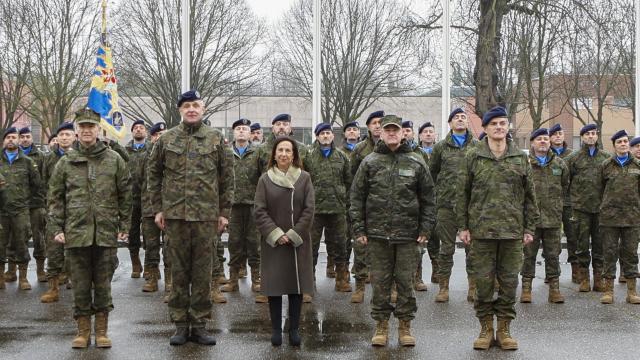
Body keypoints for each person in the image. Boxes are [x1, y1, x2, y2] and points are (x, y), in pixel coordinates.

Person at [147, 90, 234, 346]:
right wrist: (158, 209)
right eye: (187, 106)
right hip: (175, 216)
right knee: (179, 272)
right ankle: (180, 325)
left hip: (207, 217)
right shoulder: (166, 139)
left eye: (196, 105)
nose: (192, 109)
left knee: (202, 272)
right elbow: (153, 176)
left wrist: (224, 213)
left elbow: (227, 178)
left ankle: (199, 324)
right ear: (180, 110)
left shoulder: (216, 139)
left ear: (203, 109)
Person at [457, 106, 539, 351]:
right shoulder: (473, 156)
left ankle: (504, 329)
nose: (499, 128)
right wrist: (463, 226)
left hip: (512, 232)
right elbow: (462, 194)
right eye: (494, 124)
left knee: (509, 282)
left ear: (508, 127)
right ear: (485, 128)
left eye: (503, 123)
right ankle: (485, 329)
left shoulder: (520, 157)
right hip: (481, 232)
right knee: (483, 283)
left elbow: (530, 197)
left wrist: (529, 227)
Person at [47, 108, 131, 348]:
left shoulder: (114, 159)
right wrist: (57, 228)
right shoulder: (66, 162)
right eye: (82, 127)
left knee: (103, 284)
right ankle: (83, 332)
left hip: (105, 232)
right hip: (76, 232)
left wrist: (124, 224)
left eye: (90, 127)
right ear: (76, 131)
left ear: (98, 130)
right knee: (80, 284)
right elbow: (55, 198)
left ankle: (102, 331)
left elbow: (126, 195)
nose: (86, 131)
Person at [350, 115, 435, 347]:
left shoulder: (417, 161)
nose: (391, 134)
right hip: (377, 236)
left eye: (395, 130)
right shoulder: (369, 162)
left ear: (402, 133)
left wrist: (426, 228)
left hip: (408, 235)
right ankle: (381, 326)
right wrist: (359, 228)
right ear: (381, 132)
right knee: (380, 283)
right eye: (387, 130)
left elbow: (429, 199)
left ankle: (405, 326)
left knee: (405, 283)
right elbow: (356, 198)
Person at [254, 136, 315, 347]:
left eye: (288, 151)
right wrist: (276, 234)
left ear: (294, 155)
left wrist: (294, 233)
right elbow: (259, 211)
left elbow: (309, 209)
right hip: (275, 242)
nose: (284, 154)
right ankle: (276, 329)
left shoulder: (304, 178)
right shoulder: (265, 179)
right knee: (275, 286)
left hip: (298, 241)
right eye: (280, 150)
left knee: (296, 287)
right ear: (274, 154)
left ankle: (295, 329)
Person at [430, 108, 478, 302]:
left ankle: (473, 287)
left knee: (472, 249)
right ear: (450, 124)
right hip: (446, 205)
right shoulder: (441, 147)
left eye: (463, 117)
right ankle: (443, 287)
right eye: (456, 118)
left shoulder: (477, 146)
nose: (460, 120)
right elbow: (431, 174)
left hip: (470, 206)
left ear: (467, 123)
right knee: (446, 248)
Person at [221, 118, 268, 303]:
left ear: (250, 133)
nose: (241, 132)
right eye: (238, 129)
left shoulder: (258, 152)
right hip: (232, 205)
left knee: (254, 242)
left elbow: (265, 176)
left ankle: (257, 278)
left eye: (245, 129)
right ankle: (233, 279)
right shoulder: (225, 152)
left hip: (253, 205)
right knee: (234, 242)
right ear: (233, 133)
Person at [304, 122, 352, 297]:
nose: (325, 136)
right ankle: (309, 283)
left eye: (328, 133)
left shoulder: (342, 157)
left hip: (338, 209)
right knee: (311, 247)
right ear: (317, 137)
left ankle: (341, 279)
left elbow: (349, 182)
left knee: (340, 245)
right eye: (322, 133)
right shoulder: (308, 157)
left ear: (333, 136)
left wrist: (346, 203)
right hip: (315, 210)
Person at [521, 128, 568, 304]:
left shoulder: (559, 164)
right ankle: (526, 289)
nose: (543, 142)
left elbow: (565, 185)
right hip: (530, 220)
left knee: (553, 255)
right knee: (529, 255)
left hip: (553, 218)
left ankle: (554, 290)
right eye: (539, 139)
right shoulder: (524, 163)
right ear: (532, 142)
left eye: (545, 139)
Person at [565, 124, 610, 292]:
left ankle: (599, 279)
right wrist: (572, 198)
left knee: (600, 245)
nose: (591, 136)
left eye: (593, 133)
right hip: (580, 209)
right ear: (582, 137)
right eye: (587, 134)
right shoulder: (573, 158)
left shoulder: (605, 158)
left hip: (600, 209)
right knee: (581, 244)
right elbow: (564, 179)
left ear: (597, 136)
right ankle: (584, 279)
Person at [597, 130, 640, 304]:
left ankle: (632, 291)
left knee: (630, 254)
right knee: (609, 253)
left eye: (625, 142)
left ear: (628, 145)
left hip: (632, 218)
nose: (623, 144)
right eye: (619, 142)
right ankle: (608, 291)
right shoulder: (606, 165)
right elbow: (599, 190)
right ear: (614, 145)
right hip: (610, 218)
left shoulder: (637, 165)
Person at [0, 127, 41, 291]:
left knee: (22, 243)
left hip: (21, 211)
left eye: (13, 137)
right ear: (4, 141)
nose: (11, 140)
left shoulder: (28, 162)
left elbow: (37, 185)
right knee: (0, 244)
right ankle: (1, 276)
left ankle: (23, 277)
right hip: (1, 211)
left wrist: (25, 200)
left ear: (18, 141)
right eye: (8, 137)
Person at [349, 110, 384, 303]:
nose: (378, 126)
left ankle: (389, 288)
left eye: (381, 122)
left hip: (387, 207)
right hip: (365, 206)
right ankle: (360, 286)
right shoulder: (360, 150)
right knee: (361, 247)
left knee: (386, 250)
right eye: (374, 123)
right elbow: (353, 178)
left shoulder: (394, 147)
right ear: (368, 127)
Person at [40, 122, 76, 303]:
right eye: (61, 135)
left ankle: (72, 279)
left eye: (68, 134)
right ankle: (53, 288)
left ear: (74, 137)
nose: (64, 138)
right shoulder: (48, 158)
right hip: (55, 208)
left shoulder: (78, 157)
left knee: (74, 248)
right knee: (53, 247)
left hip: (75, 209)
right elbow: (43, 180)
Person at [140, 122, 169, 296]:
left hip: (170, 207)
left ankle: (170, 280)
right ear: (152, 137)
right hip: (149, 207)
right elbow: (137, 180)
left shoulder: (172, 154)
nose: (160, 138)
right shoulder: (144, 156)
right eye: (157, 135)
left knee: (170, 245)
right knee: (151, 245)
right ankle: (151, 277)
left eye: (163, 134)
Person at [18, 127, 48, 283]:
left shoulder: (41, 156)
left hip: (36, 204)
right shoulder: (14, 156)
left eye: (27, 136)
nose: (24, 139)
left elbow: (45, 179)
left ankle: (40, 270)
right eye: (21, 136)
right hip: (19, 205)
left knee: (39, 238)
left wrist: (43, 198)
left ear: (31, 138)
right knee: (18, 238)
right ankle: (16, 272)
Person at [549, 124, 577, 282]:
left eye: (560, 133)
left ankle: (576, 270)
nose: (558, 136)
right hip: (551, 203)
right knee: (552, 238)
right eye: (555, 134)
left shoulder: (572, 155)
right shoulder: (546, 154)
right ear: (551, 137)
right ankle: (552, 271)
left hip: (569, 202)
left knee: (573, 237)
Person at [126, 119, 151, 279]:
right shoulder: (124, 151)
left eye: (141, 128)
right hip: (130, 198)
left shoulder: (153, 149)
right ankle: (135, 262)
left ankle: (150, 266)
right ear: (132, 132)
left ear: (146, 132)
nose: (139, 130)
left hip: (148, 197)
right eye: (135, 128)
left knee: (150, 234)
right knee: (132, 232)